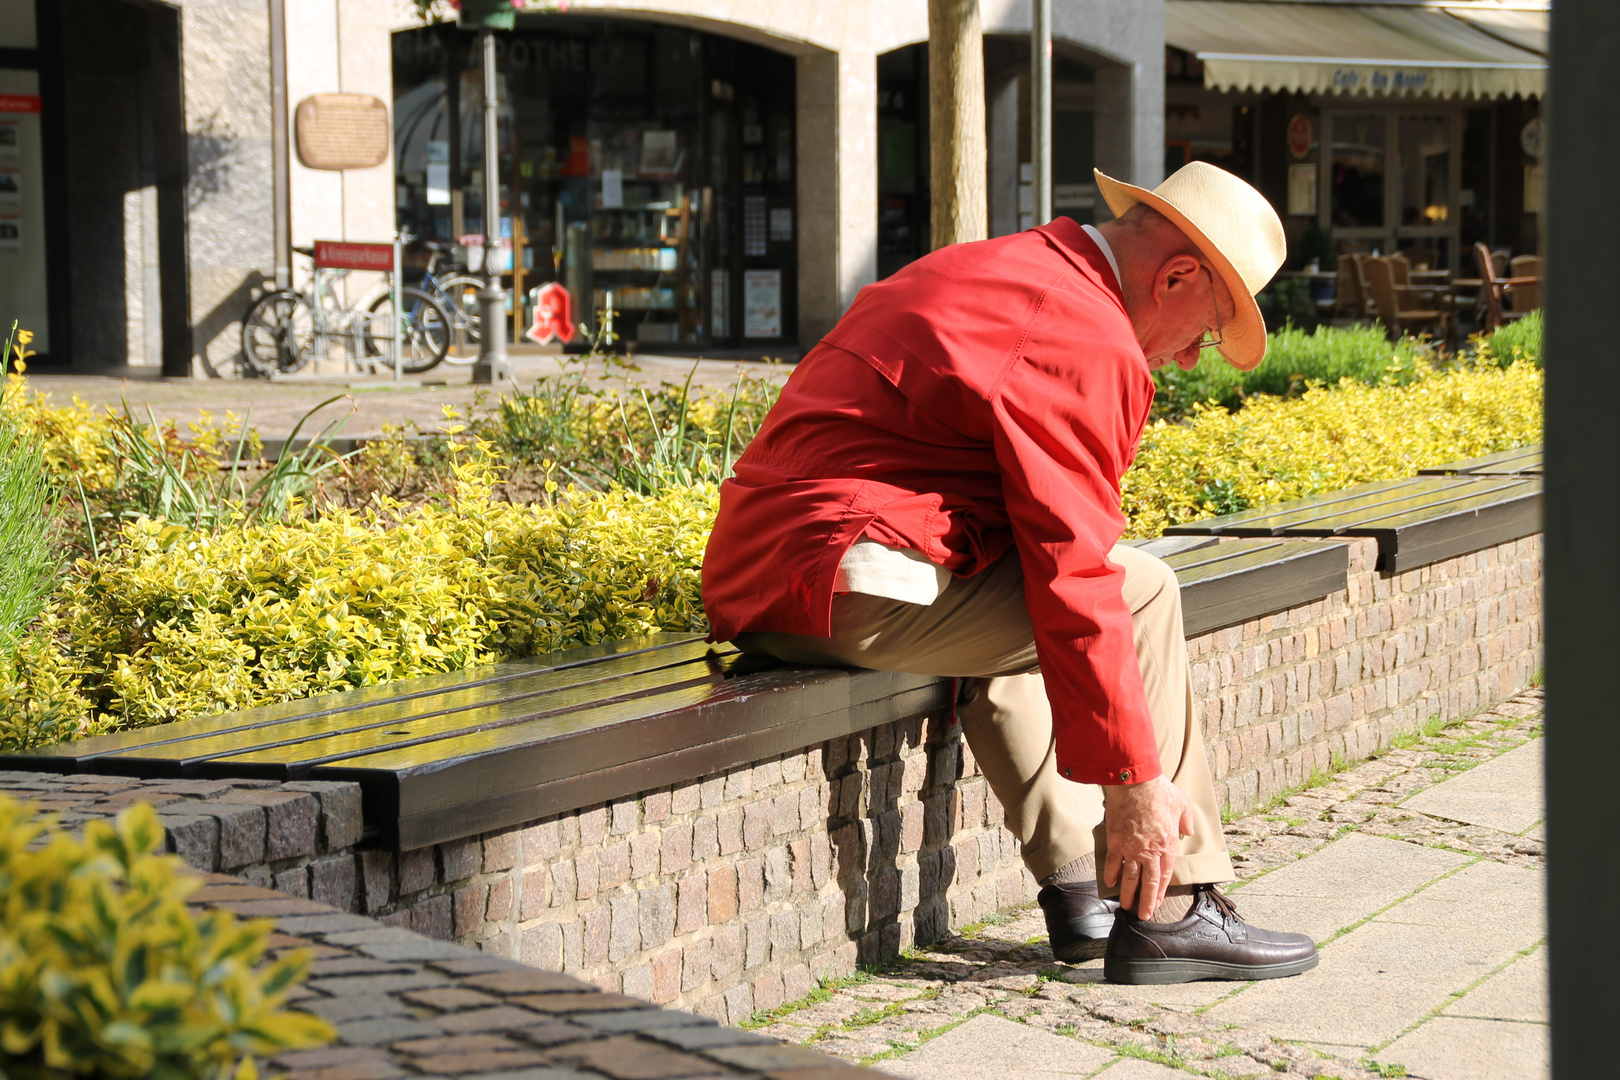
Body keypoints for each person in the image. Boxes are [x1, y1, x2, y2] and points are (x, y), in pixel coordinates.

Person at [702, 162, 1318, 985]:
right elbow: (1079, 573)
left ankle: (1080, 894)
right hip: (846, 583)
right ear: (1175, 275)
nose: (1186, 363)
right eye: (1204, 333)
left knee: (1022, 587)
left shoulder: (997, 267)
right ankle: (1175, 904)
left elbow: (1037, 555)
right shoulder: (1080, 332)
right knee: (1141, 592)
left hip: (779, 581)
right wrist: (1135, 786)